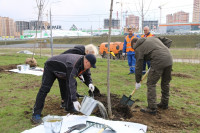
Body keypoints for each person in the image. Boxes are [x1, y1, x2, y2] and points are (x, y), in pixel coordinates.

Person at [31, 54, 97, 124]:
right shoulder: (73, 65)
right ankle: (36, 114)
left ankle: (69, 107)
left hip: (63, 70)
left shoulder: (84, 63)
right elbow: (71, 82)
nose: (90, 67)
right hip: (51, 67)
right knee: (45, 89)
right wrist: (74, 100)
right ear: (86, 62)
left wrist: (89, 83)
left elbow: (87, 74)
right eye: (90, 65)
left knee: (68, 86)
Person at [132, 37, 173, 115]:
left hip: (158, 60)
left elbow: (138, 66)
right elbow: (168, 41)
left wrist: (137, 81)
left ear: (134, 45)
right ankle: (164, 104)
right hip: (169, 58)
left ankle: (152, 108)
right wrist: (161, 53)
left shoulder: (138, 48)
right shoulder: (152, 38)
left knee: (151, 83)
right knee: (165, 82)